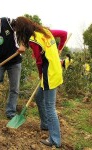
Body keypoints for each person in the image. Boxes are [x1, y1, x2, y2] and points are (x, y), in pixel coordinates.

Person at [12, 16, 67, 148]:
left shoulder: (33, 40)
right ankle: (45, 124)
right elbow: (64, 34)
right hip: (55, 70)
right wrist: (58, 49)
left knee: (49, 106)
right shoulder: (45, 31)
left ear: (22, 30)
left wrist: (41, 75)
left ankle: (55, 139)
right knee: (38, 97)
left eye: (17, 32)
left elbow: (39, 62)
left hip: (49, 74)